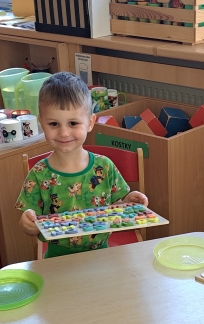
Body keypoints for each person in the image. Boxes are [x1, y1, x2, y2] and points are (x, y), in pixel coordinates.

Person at [16, 72, 149, 258]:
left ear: (90, 123)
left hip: (102, 254)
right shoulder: (38, 173)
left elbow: (115, 206)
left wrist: (128, 201)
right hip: (57, 258)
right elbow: (29, 224)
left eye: (73, 123)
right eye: (53, 124)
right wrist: (28, 223)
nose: (64, 133)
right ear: (41, 123)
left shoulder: (105, 166)